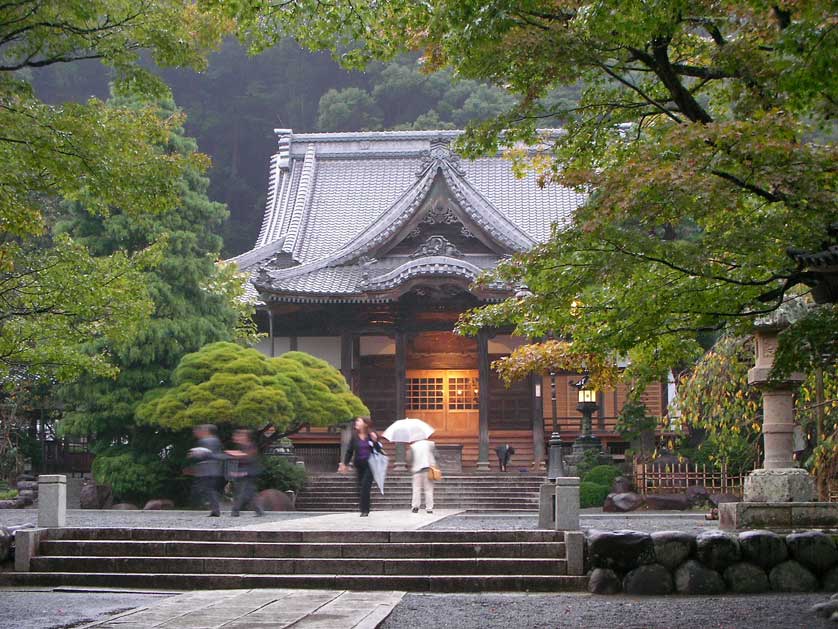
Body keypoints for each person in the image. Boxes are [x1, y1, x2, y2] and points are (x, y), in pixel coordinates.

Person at [338, 417, 382, 517]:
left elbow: (378, 450)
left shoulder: (372, 435)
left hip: (370, 465)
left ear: (365, 424)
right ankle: (365, 507)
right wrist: (345, 463)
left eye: (359, 421)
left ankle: (364, 510)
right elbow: (350, 451)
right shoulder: (354, 436)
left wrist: (375, 441)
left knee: (365, 486)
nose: (356, 423)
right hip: (359, 465)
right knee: (360, 487)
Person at [226, 429, 264, 517]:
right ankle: (257, 510)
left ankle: (235, 511)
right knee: (248, 492)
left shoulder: (250, 446)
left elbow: (250, 459)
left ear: (245, 437)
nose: (236, 438)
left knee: (242, 492)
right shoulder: (243, 446)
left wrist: (239, 455)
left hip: (248, 472)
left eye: (239, 436)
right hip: (245, 472)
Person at [189, 424, 225, 517]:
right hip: (212, 469)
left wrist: (195, 454)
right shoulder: (215, 440)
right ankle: (214, 508)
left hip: (208, 469)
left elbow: (206, 454)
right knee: (209, 489)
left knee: (208, 489)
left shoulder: (207, 440)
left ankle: (215, 509)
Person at [409, 438, 437, 514]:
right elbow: (436, 455)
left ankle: (415, 506)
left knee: (416, 489)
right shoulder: (431, 444)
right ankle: (429, 508)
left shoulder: (413, 446)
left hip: (417, 470)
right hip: (428, 470)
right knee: (428, 490)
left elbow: (410, 459)